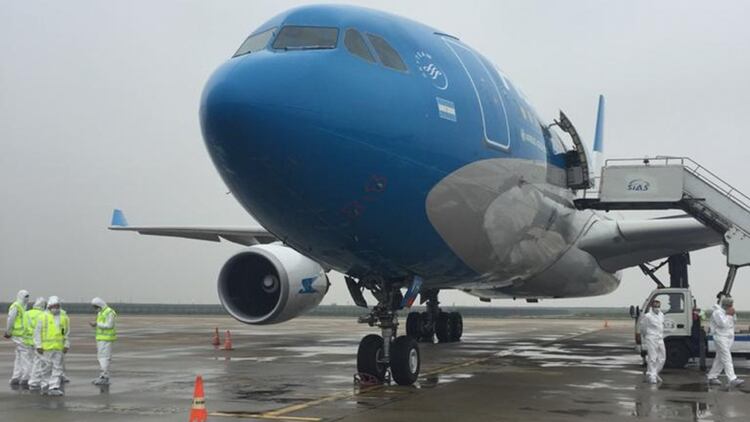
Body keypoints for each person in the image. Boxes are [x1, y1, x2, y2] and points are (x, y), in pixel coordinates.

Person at [34, 296, 69, 396]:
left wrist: (66, 344)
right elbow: (37, 333)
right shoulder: (42, 317)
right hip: (45, 348)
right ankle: (45, 385)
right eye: (54, 306)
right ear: (49, 306)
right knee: (46, 368)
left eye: (57, 306)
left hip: (59, 347)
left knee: (58, 368)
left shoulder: (64, 318)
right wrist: (38, 345)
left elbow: (66, 332)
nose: (56, 308)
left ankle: (54, 387)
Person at [707, 296, 745, 387]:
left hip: (728, 337)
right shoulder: (717, 313)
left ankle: (712, 376)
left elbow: (734, 320)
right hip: (720, 337)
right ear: (726, 305)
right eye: (730, 305)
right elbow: (722, 324)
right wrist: (728, 315)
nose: (732, 306)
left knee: (720, 358)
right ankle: (732, 379)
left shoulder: (727, 312)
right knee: (726, 357)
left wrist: (731, 314)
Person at [4, 289, 31, 386]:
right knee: (25, 356)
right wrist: (8, 331)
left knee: (19, 356)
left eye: (28, 297)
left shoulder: (23, 306)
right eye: (25, 296)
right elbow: (10, 319)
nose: (27, 299)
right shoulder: (16, 306)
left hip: (21, 335)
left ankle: (16, 376)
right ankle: (26, 377)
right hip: (18, 335)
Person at [89, 297, 117, 385]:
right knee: (101, 358)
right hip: (101, 338)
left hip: (107, 339)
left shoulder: (109, 312)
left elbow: (109, 325)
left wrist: (97, 324)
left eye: (95, 306)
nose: (95, 309)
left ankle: (105, 377)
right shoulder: (100, 312)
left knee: (104, 358)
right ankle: (103, 375)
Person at [22, 297, 47, 388]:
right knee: (39, 361)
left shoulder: (26, 313)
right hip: (38, 341)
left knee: (28, 361)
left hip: (26, 340)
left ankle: (27, 377)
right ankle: (35, 379)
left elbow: (23, 326)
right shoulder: (43, 314)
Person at [640, 299, 666, 384]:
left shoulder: (661, 315)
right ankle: (652, 376)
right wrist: (646, 336)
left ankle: (654, 373)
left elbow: (662, 326)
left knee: (662, 357)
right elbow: (643, 327)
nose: (657, 308)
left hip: (660, 338)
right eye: (655, 306)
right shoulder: (648, 316)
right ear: (652, 307)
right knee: (652, 357)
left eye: (658, 306)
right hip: (651, 338)